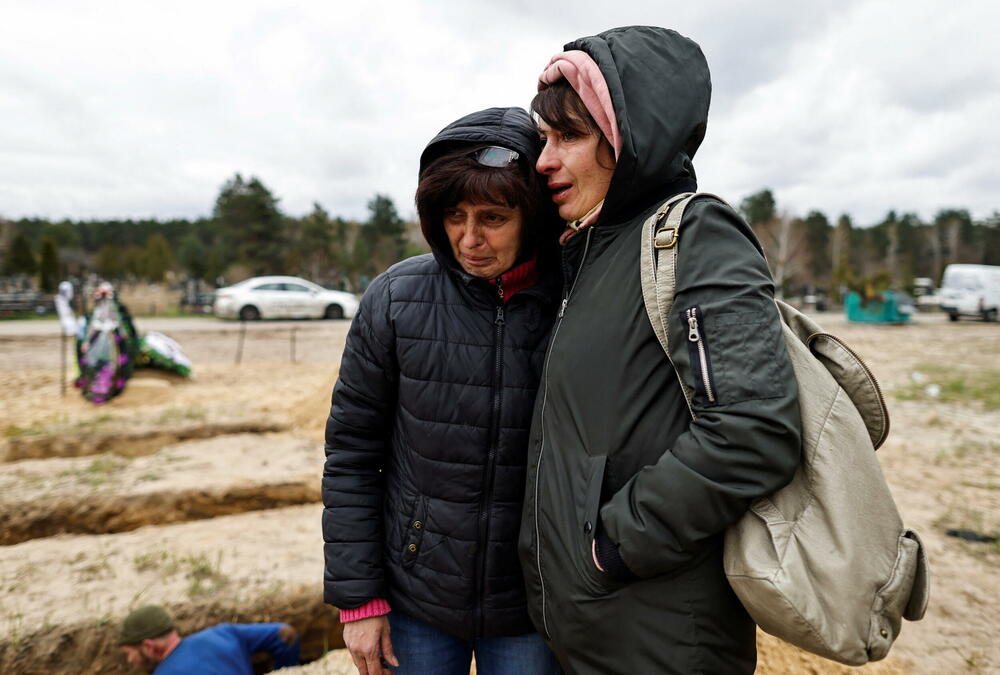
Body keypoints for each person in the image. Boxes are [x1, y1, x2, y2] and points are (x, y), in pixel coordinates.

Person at [517, 26, 803, 674]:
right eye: (543, 139)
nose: (544, 161)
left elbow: (755, 429)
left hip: (660, 640)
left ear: (628, 137)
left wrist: (613, 544)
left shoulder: (695, 236)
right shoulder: (589, 252)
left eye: (569, 137)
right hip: (590, 633)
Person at [322, 107, 562, 675]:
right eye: (454, 215)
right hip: (415, 604)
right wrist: (358, 599)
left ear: (534, 216)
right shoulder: (394, 299)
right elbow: (353, 455)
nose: (469, 239)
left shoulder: (577, 302)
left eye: (493, 218)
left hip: (532, 609)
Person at [117, 605, 300, 674]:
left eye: (129, 653)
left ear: (148, 646)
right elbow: (285, 635)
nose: (129, 660)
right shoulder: (222, 634)